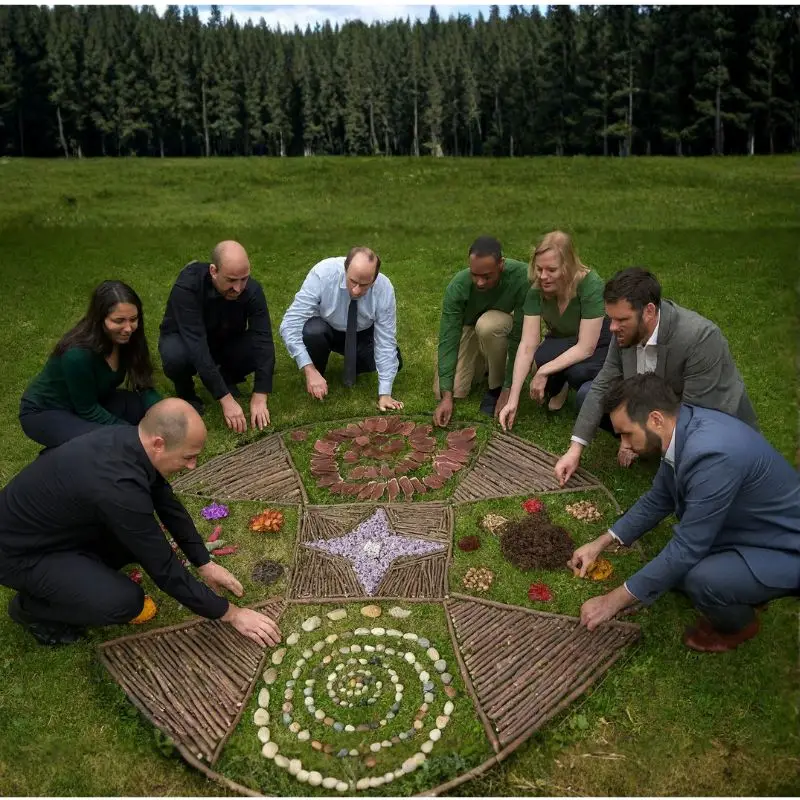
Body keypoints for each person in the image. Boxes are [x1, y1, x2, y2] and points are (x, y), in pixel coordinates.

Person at [0, 398, 282, 648]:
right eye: (188, 457)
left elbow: (166, 502)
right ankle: (30, 609)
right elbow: (165, 570)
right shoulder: (118, 489)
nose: (192, 465)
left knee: (129, 542)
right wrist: (231, 614)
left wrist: (203, 562)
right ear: (159, 443)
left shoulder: (130, 440)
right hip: (19, 554)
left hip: (59, 529)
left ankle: (78, 571)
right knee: (123, 602)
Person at [569, 374, 799, 653]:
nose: (624, 444)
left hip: (785, 546)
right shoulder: (681, 427)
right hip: (747, 527)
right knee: (674, 573)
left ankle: (739, 626)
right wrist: (600, 542)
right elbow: (658, 499)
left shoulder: (713, 455)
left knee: (700, 579)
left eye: (627, 433)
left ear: (655, 419)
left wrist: (612, 601)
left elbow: (687, 548)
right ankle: (743, 585)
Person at [553, 267, 757, 485]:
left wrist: (638, 437)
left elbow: (696, 413)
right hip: (658, 411)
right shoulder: (623, 330)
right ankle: (647, 444)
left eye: (621, 319)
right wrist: (575, 450)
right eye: (610, 319)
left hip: (711, 421)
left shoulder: (700, 338)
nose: (612, 327)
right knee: (587, 394)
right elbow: (603, 383)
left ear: (649, 311)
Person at [19, 280, 161, 450]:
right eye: (119, 321)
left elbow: (142, 382)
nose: (128, 328)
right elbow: (88, 409)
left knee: (141, 408)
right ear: (100, 320)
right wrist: (132, 434)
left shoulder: (129, 338)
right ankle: (56, 458)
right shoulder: (77, 355)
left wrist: (163, 412)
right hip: (46, 411)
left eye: (133, 319)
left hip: (92, 398)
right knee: (107, 443)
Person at [158, 241, 275, 433]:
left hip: (224, 339)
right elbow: (196, 345)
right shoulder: (187, 287)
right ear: (213, 271)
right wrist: (226, 400)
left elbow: (264, 339)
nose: (238, 288)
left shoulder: (253, 290)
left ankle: (227, 377)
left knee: (256, 346)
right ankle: (187, 393)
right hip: (185, 339)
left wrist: (261, 394)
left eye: (244, 279)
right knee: (175, 356)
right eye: (230, 280)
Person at [499, 231, 610, 431]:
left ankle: (582, 382)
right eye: (539, 268)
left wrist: (544, 371)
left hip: (598, 341)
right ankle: (561, 382)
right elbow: (527, 345)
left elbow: (586, 347)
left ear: (568, 266)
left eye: (551, 269)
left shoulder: (591, 285)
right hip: (563, 339)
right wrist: (513, 399)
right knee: (541, 355)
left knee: (578, 371)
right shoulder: (536, 289)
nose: (543, 276)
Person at [278, 247, 403, 411]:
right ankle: (317, 372)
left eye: (364, 284)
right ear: (345, 268)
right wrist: (309, 369)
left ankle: (353, 365)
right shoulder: (322, 274)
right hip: (325, 328)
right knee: (313, 332)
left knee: (396, 359)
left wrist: (385, 393)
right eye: (352, 281)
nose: (356, 290)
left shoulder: (384, 288)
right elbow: (289, 324)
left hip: (362, 332)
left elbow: (385, 341)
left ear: (374, 279)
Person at [433, 236, 529, 426]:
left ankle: (496, 385)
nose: (480, 282)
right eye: (475, 274)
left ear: (501, 264)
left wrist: (507, 389)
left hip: (501, 325)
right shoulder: (458, 286)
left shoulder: (521, 276)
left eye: (487, 276)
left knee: (487, 326)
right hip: (470, 328)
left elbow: (520, 335)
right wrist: (446, 396)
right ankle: (486, 364)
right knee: (450, 390)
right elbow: (448, 338)